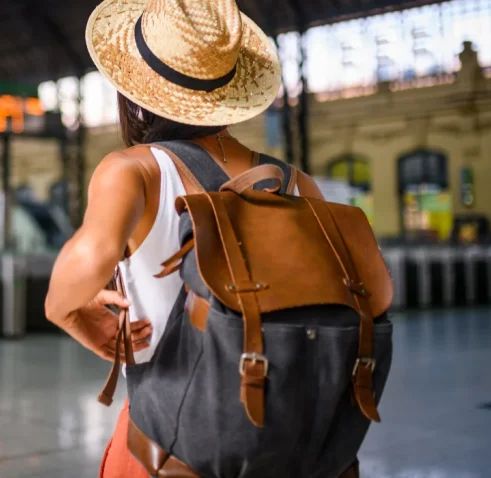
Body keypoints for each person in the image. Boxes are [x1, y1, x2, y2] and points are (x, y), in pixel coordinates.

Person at [44, 0, 323, 475]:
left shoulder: (135, 170)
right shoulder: (297, 184)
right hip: (283, 439)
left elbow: (92, 258)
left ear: (134, 86)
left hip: (169, 440)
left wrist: (65, 309)